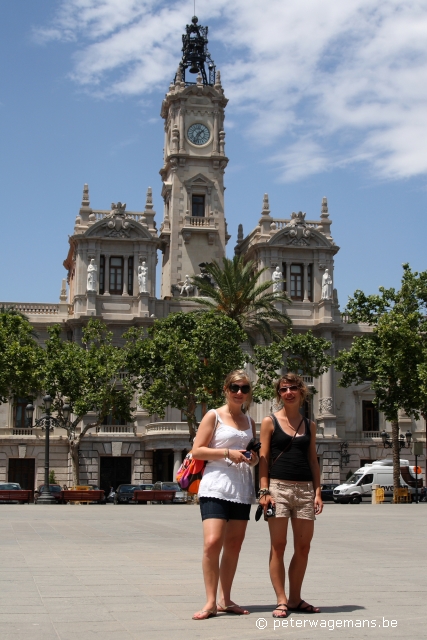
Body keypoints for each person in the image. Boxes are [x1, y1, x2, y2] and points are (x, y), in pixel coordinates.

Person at [191, 370, 259, 620]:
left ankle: (225, 599)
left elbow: (255, 458)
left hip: (241, 487)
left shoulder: (250, 422)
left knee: (233, 545)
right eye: (235, 388)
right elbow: (197, 451)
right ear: (226, 389)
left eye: (244, 388)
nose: (240, 392)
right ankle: (209, 602)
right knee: (212, 543)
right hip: (215, 485)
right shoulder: (214, 415)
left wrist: (252, 459)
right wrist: (228, 454)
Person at [259, 373, 323, 619]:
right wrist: (264, 491)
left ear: (301, 392)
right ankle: (281, 600)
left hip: (305, 490)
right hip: (278, 489)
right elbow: (263, 459)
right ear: (279, 394)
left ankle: (296, 598)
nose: (289, 392)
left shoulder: (310, 425)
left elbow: (313, 461)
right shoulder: (270, 421)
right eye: (284, 389)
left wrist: (318, 491)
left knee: (304, 547)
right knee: (278, 546)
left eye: (293, 388)